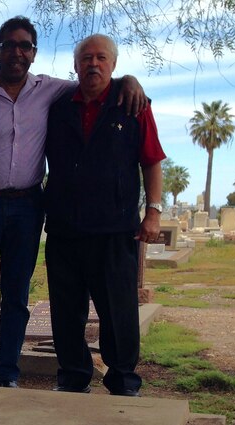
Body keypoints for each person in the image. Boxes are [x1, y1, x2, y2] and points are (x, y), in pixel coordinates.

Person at [0, 16, 148, 387]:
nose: (17, 52)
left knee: (17, 297)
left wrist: (128, 80)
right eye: (10, 45)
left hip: (27, 207)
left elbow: (96, 81)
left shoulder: (49, 90)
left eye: (25, 46)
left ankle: (7, 374)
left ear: (34, 54)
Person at [43, 34, 165, 396]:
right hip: (65, 227)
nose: (93, 64)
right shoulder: (59, 105)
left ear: (113, 65)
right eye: (86, 59)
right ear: (76, 65)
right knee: (65, 311)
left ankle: (124, 380)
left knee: (119, 310)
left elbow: (152, 160)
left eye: (101, 58)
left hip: (115, 227)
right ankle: (73, 377)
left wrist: (153, 213)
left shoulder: (132, 104)